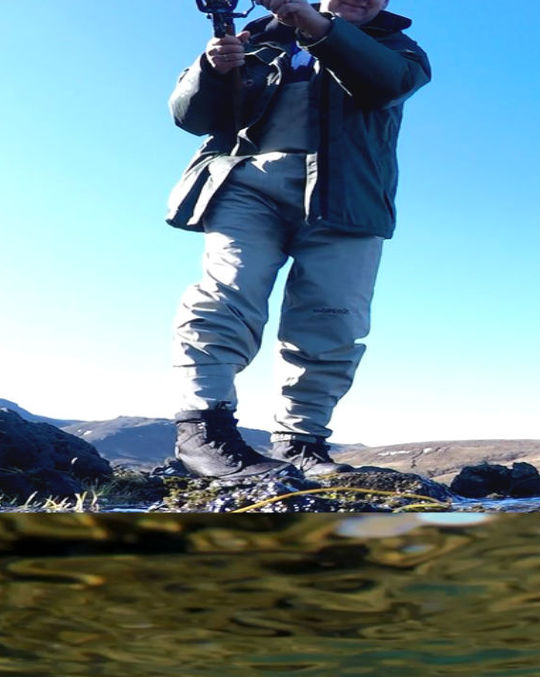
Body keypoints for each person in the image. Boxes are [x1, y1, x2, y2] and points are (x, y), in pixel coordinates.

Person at [166, 0, 430, 478]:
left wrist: (312, 24)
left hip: (350, 199)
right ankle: (203, 428)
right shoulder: (254, 40)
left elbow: (386, 84)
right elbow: (191, 117)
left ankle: (299, 443)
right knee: (228, 296)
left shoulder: (400, 49)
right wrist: (210, 69)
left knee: (332, 318)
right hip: (248, 185)